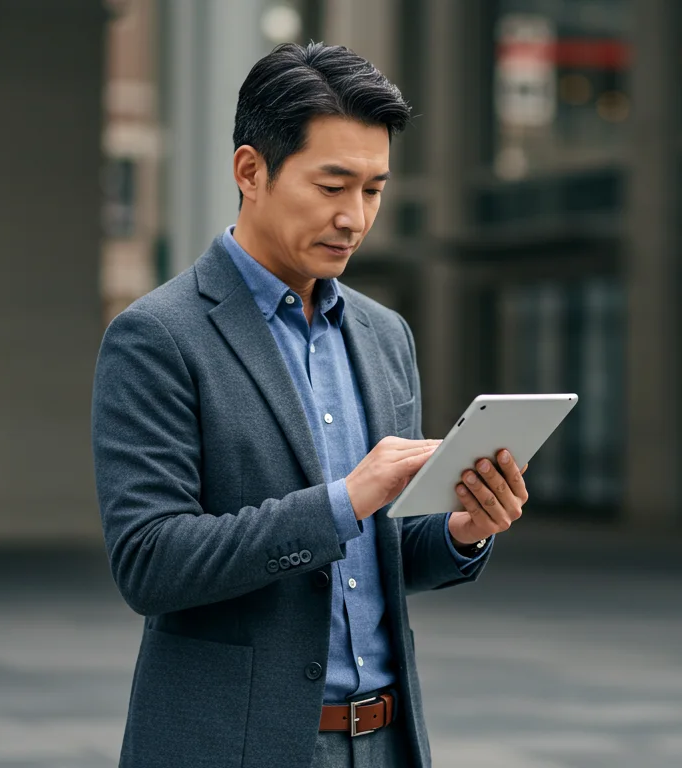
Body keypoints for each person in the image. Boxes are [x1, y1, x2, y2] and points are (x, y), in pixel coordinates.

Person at [91, 42, 530, 768]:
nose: (355, 218)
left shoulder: (385, 336)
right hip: (237, 748)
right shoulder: (158, 337)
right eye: (332, 187)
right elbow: (150, 563)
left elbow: (375, 557)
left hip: (387, 741)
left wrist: (461, 530)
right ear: (250, 172)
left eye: (374, 189)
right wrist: (343, 500)